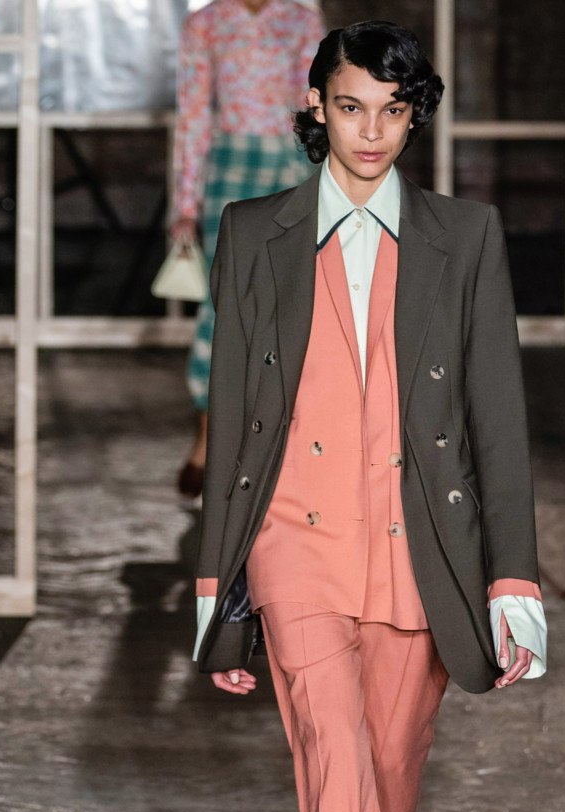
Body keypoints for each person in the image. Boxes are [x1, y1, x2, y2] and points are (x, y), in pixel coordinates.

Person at [191, 20, 548, 812]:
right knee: (339, 775)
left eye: (393, 111)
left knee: (383, 795)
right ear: (315, 107)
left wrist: (512, 578)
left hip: (415, 552)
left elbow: (495, 413)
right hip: (291, 540)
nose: (371, 132)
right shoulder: (253, 231)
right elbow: (234, 413)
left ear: (412, 117)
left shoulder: (463, 235)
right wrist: (212, 590)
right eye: (350, 107)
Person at [171, 0, 324, 497]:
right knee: (221, 303)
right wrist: (185, 203)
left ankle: (288, 445)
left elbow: (316, 107)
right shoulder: (206, 23)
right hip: (229, 164)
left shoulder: (300, 19)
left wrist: (330, 185)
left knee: (294, 301)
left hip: (292, 164)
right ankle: (207, 438)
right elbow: (193, 114)